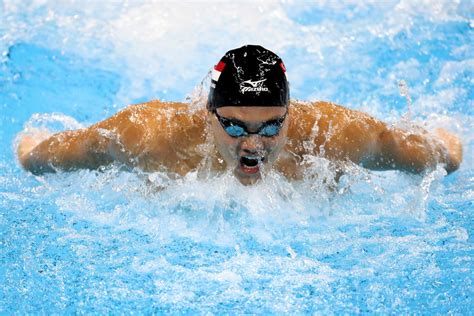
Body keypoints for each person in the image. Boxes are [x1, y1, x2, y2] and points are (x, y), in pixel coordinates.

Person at [17, 45, 462, 185]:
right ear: (205, 111)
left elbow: (437, 153)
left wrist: (448, 150)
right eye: (233, 126)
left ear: (291, 113)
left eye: (272, 126)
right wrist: (30, 151)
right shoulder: (147, 135)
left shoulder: (336, 136)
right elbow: (49, 153)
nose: (253, 145)